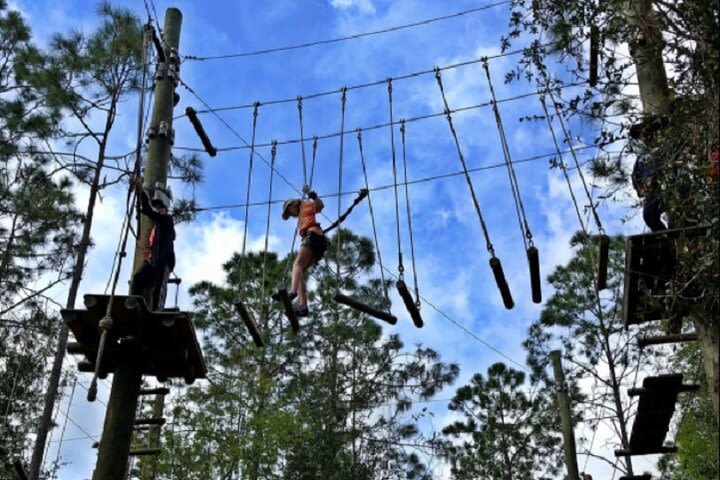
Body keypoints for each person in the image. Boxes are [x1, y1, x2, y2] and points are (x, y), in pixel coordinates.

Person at [272, 186, 328, 317]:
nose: (291, 215)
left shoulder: (304, 206)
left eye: (289, 211)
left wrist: (311, 194)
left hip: (313, 235)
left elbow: (319, 206)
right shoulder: (302, 213)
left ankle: (293, 291)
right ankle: (303, 306)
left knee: (296, 265)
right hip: (319, 241)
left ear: (293, 204)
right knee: (300, 272)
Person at [131, 178, 176, 310]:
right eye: (157, 207)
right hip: (153, 259)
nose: (158, 209)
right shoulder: (155, 228)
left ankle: (157, 311)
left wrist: (142, 192)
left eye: (161, 207)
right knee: (138, 277)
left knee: (159, 289)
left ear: (165, 209)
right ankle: (135, 305)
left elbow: (149, 211)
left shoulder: (167, 220)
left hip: (164, 260)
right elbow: (148, 211)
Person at [630, 119, 667, 231]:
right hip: (653, 190)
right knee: (649, 215)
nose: (645, 137)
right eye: (641, 136)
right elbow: (635, 177)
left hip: (668, 181)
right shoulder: (641, 157)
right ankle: (666, 240)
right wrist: (642, 189)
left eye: (645, 133)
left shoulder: (664, 146)